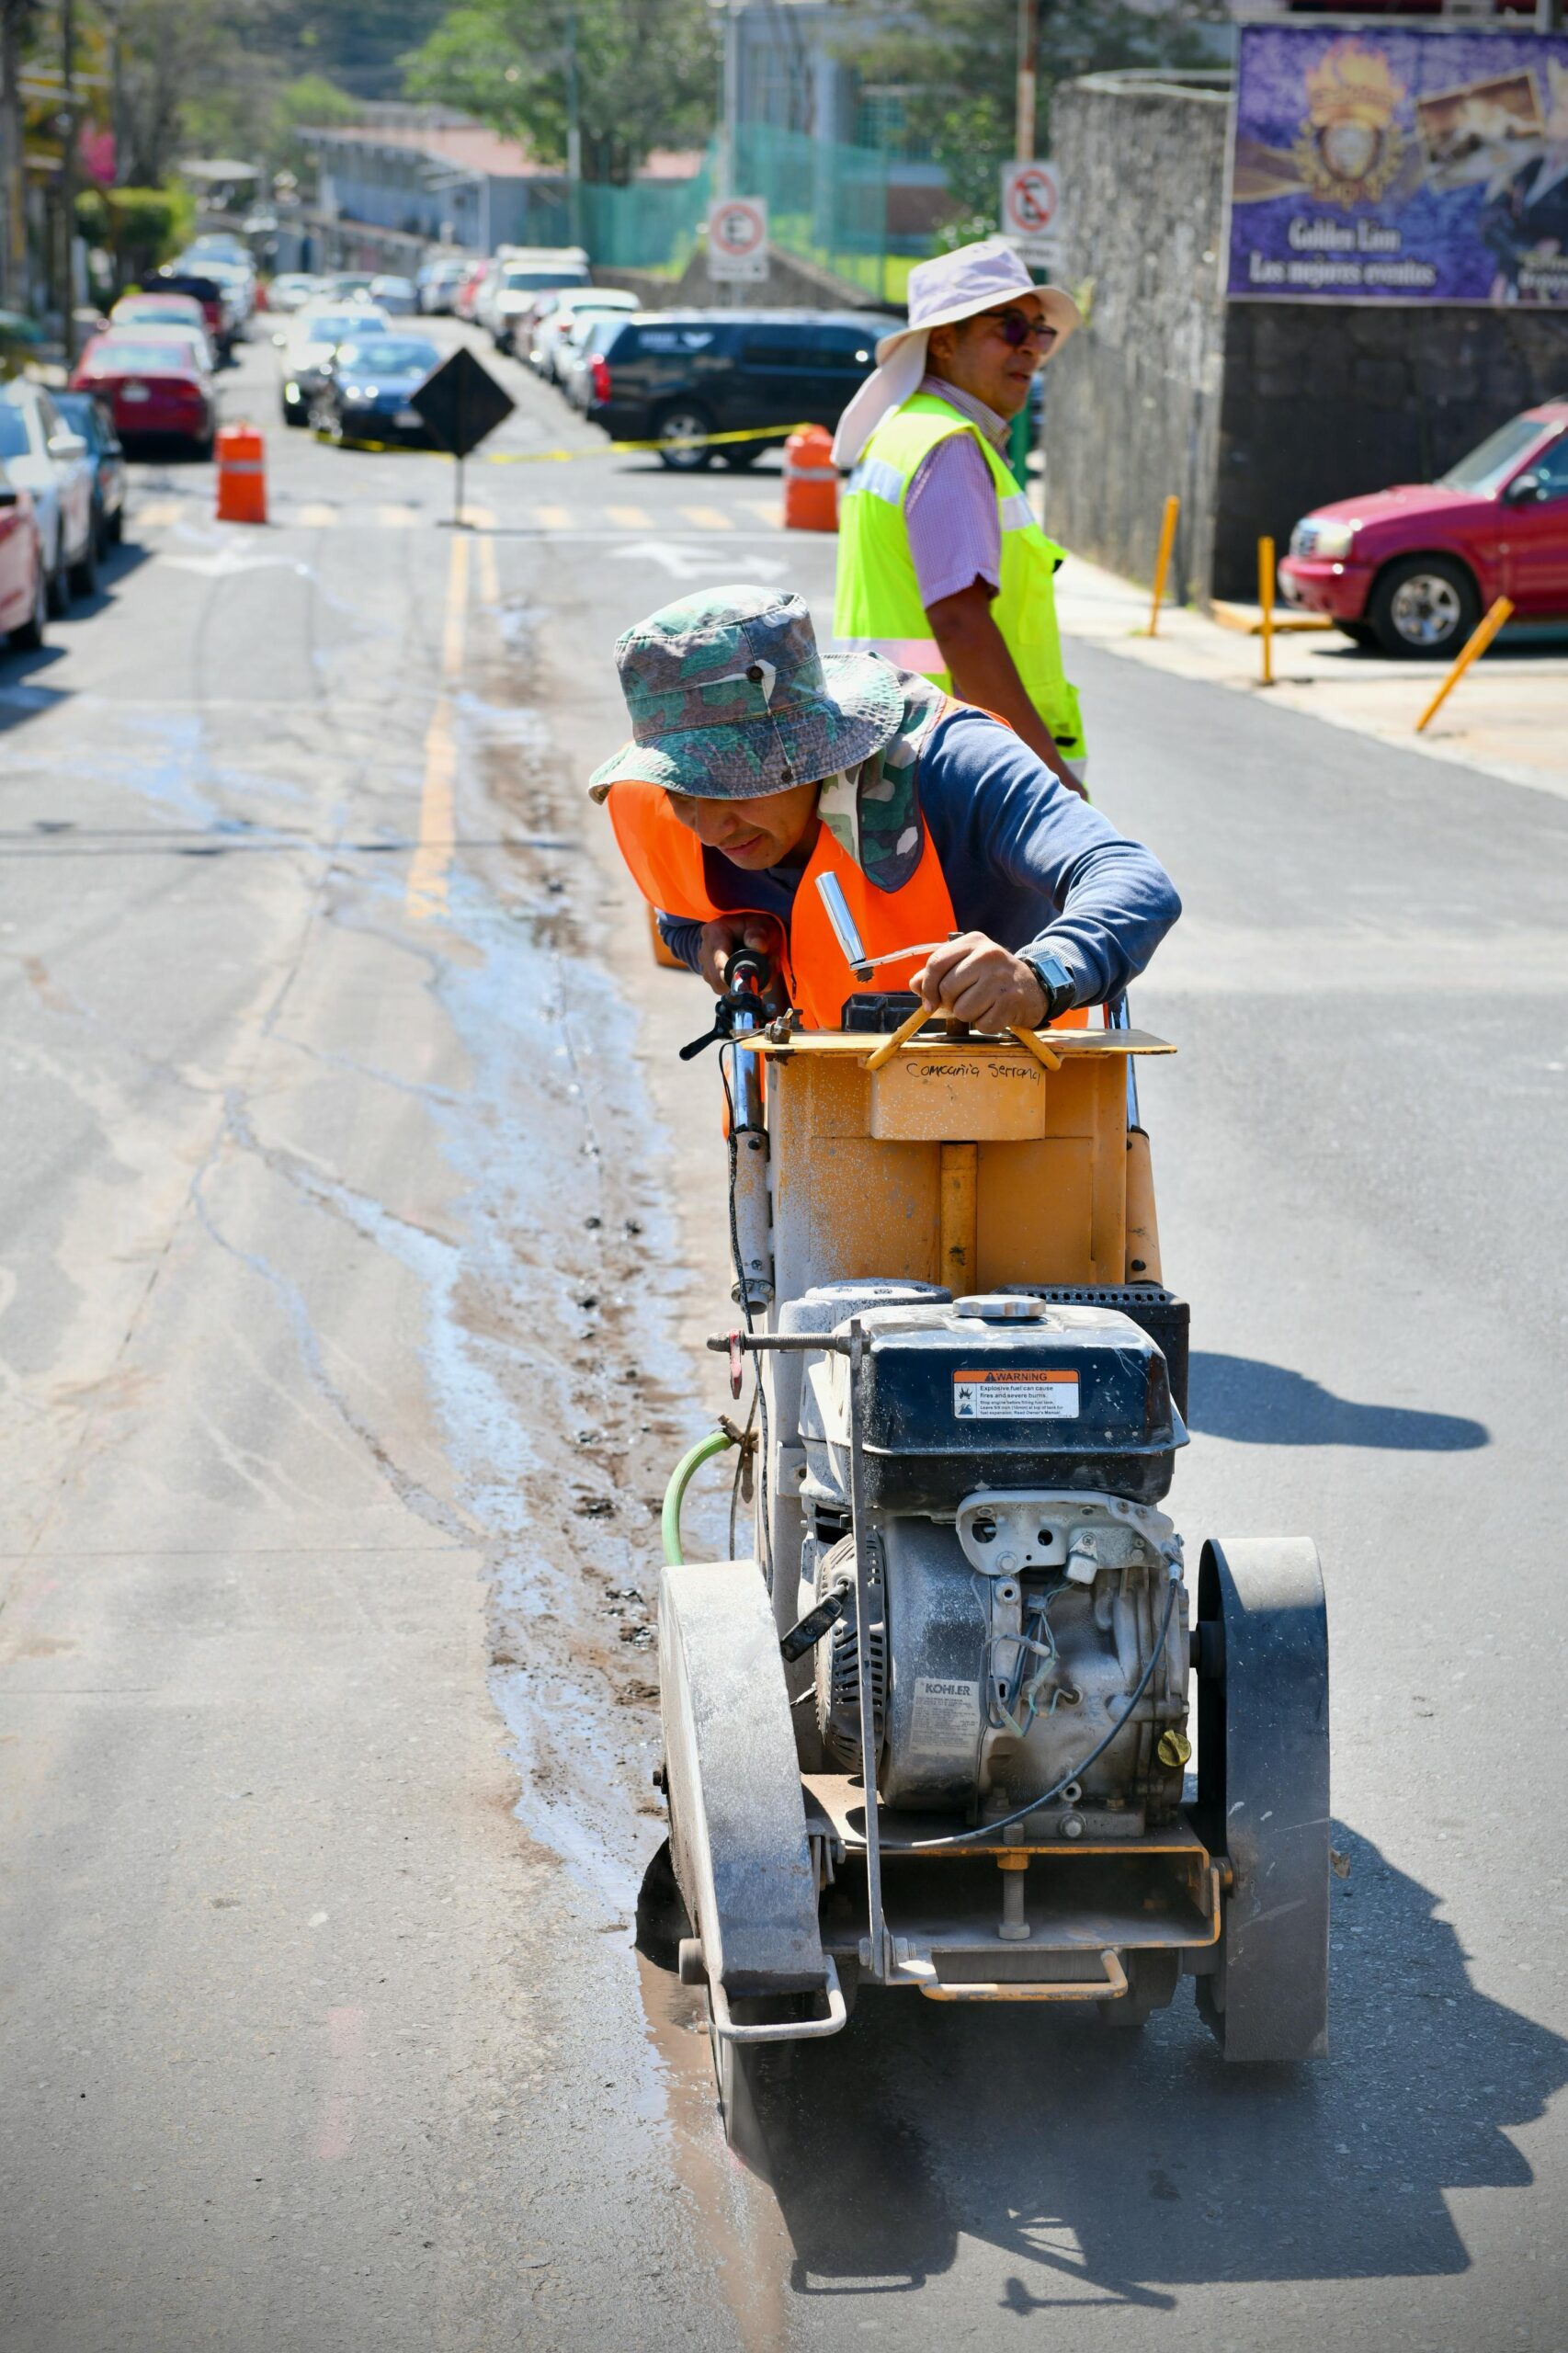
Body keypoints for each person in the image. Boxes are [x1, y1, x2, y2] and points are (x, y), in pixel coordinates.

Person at [590, 587, 1178, 1033]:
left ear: (813, 749)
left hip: (1015, 1135)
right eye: (685, 796)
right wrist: (712, 944)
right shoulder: (655, 806)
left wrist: (1042, 974)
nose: (712, 829)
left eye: (737, 786)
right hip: (805, 1150)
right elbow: (680, 917)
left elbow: (1134, 882)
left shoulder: (952, 765)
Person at [832, 236, 1088, 796]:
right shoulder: (946, 444)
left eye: (1039, 332)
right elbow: (960, 624)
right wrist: (1049, 779)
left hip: (902, 752)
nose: (1031, 349)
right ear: (944, 343)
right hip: (955, 763)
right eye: (1011, 327)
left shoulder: (904, 433)